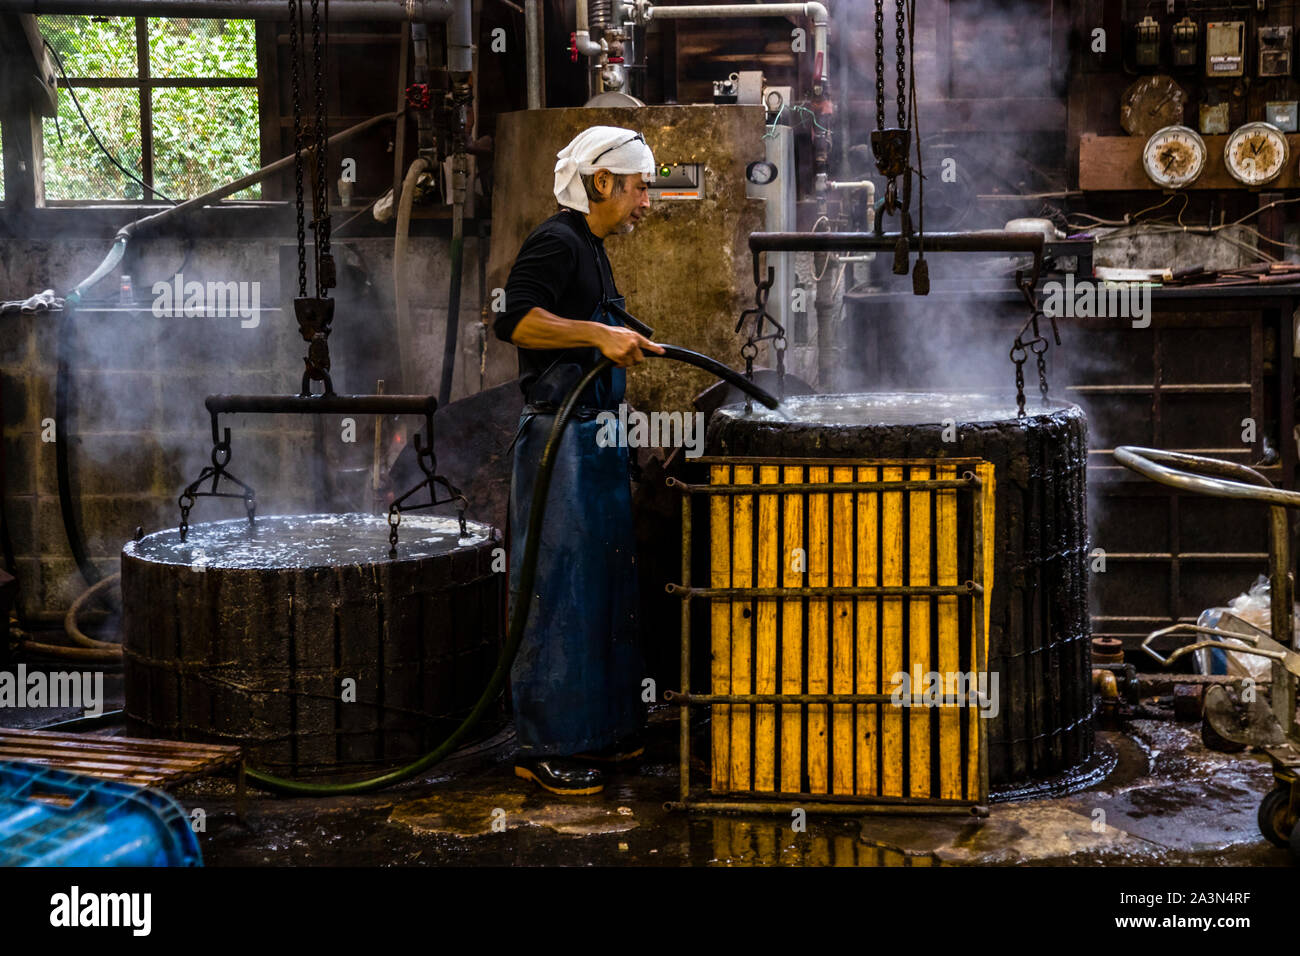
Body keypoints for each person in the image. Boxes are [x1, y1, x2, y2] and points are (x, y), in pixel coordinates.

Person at [494, 126, 664, 795]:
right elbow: (515, 320)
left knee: (603, 586)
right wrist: (597, 333)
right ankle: (547, 744)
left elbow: (596, 315)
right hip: (557, 444)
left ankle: (602, 730)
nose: (647, 200)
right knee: (559, 589)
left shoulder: (590, 248)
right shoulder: (556, 240)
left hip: (594, 437)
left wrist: (632, 334)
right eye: (640, 185)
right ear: (602, 183)